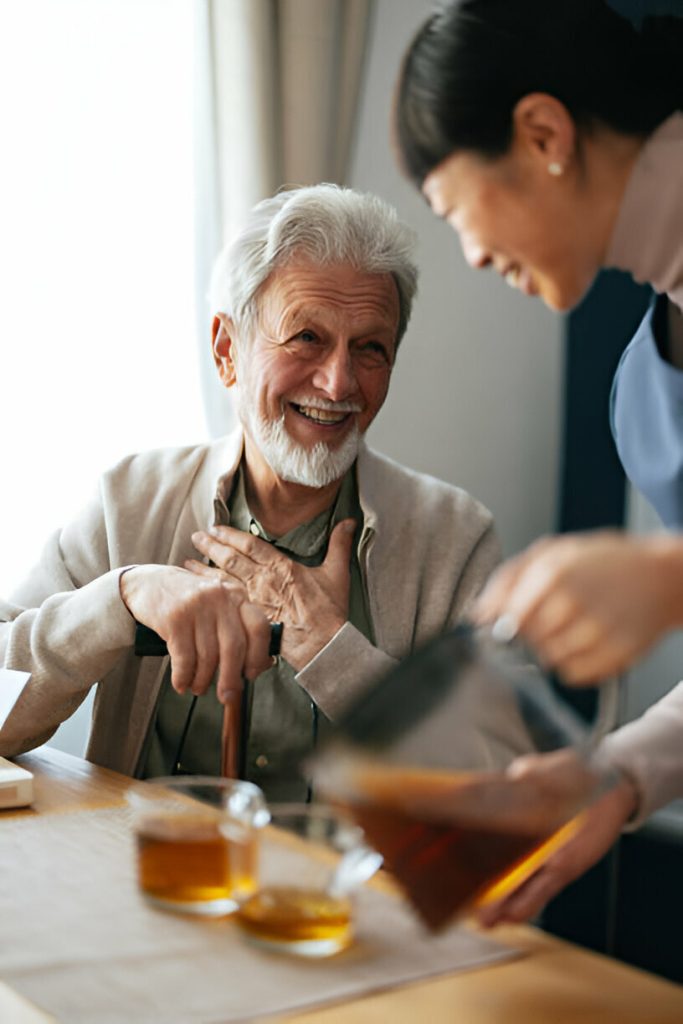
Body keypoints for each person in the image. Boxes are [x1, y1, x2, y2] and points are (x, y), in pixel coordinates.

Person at [0, 183, 506, 801]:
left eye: (370, 348)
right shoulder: (129, 499)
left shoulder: (454, 538)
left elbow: (507, 777)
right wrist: (123, 597)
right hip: (146, 882)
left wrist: (331, 648)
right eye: (306, 338)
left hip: (347, 894)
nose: (339, 381)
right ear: (226, 351)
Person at [394, 0, 683, 921]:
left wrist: (668, 577)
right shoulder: (642, 380)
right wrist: (616, 776)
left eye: (450, 209)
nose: (470, 257)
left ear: (543, 132)